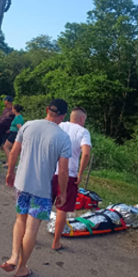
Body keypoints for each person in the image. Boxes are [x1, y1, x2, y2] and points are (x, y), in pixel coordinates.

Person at [2, 98, 71, 277]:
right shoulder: (63, 138)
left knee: (20, 221)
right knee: (32, 228)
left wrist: (10, 172)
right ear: (63, 116)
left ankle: (14, 257)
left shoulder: (28, 126)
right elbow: (63, 171)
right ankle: (22, 268)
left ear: (47, 109)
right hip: (42, 189)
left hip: (22, 184)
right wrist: (62, 193)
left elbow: (14, 151)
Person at [50, 107, 92, 251]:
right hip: (69, 174)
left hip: (51, 171)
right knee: (62, 209)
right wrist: (81, 173)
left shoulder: (59, 126)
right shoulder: (83, 132)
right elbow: (86, 154)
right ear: (82, 119)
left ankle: (31, 235)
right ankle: (55, 242)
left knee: (43, 204)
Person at [0, 96, 15, 161]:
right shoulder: (5, 109)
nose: (4, 102)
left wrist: (10, 129)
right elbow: (2, 118)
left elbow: (15, 121)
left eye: (5, 101)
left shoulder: (13, 111)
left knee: (6, 146)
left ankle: (9, 159)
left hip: (7, 130)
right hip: (1, 129)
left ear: (7, 102)